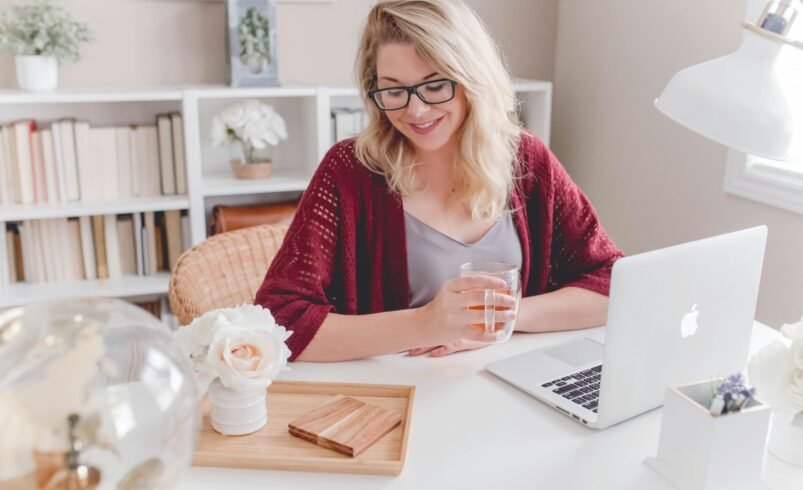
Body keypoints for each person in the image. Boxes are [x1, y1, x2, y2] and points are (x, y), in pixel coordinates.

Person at [255, 0, 623, 362]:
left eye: (435, 85)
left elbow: (613, 283)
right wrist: (423, 324)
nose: (415, 111)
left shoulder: (527, 160)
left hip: (508, 388)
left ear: (472, 77)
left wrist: (498, 319)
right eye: (395, 90)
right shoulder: (349, 170)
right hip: (396, 398)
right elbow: (277, 319)